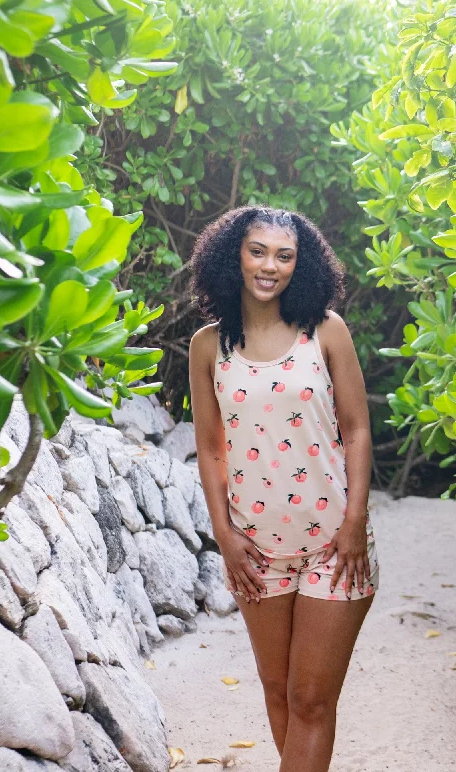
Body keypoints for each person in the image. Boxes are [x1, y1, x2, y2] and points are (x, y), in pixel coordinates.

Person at [187, 205, 379, 772]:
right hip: (255, 550)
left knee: (311, 700)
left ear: (302, 264)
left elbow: (358, 428)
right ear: (233, 257)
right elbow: (211, 447)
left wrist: (354, 524)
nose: (270, 265)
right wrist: (224, 536)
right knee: (279, 694)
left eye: (284, 255)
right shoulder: (207, 347)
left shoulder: (325, 331)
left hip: (333, 546)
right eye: (257, 251)